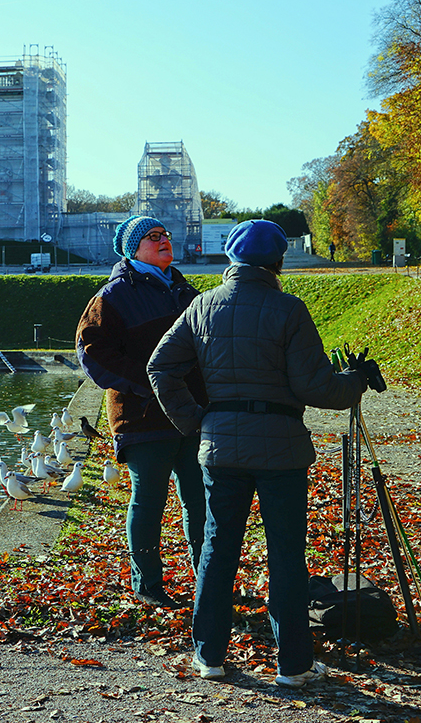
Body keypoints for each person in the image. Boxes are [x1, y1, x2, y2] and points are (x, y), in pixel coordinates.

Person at [147, 219, 378, 688]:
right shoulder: (289, 309)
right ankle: (292, 665)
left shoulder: (201, 307)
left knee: (217, 549)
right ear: (277, 262)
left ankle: (209, 655)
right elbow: (315, 387)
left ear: (231, 258)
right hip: (282, 451)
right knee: (287, 556)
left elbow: (160, 367)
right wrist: (356, 381)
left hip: (221, 448)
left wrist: (197, 422)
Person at [76, 214, 209, 609]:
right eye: (153, 236)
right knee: (148, 502)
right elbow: (93, 355)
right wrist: (151, 384)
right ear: (133, 249)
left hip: (192, 415)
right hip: (144, 418)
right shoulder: (112, 296)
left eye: (166, 234)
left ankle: (209, 579)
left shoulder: (186, 291)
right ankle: (149, 586)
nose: (164, 240)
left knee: (201, 500)